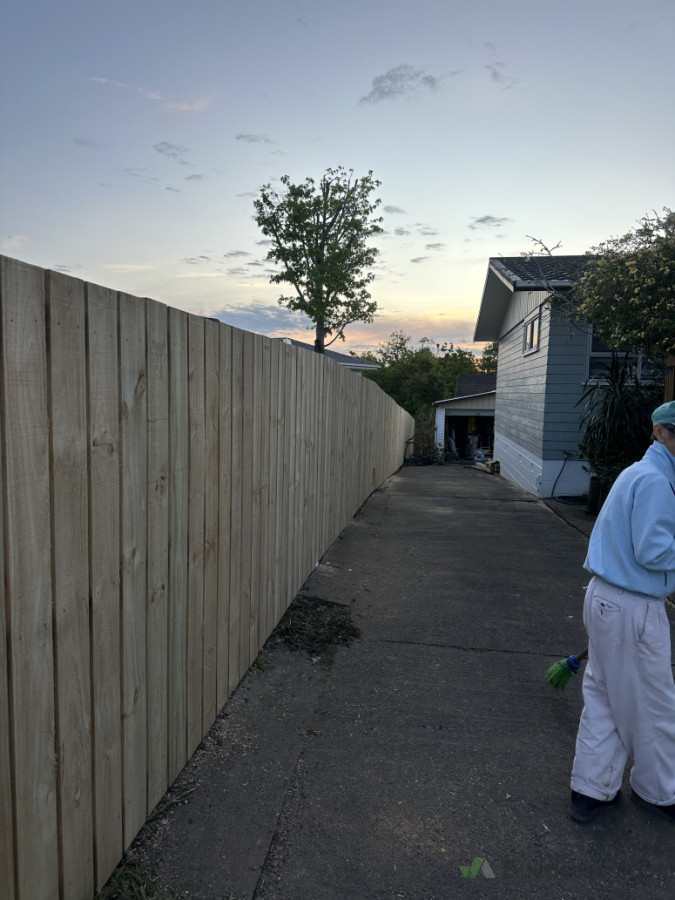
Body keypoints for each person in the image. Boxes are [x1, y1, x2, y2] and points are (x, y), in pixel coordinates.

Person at [570, 400, 675, 823]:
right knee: (653, 706)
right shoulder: (655, 481)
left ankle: (591, 791)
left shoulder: (640, 474)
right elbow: (653, 551)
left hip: (605, 598)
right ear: (660, 432)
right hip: (634, 608)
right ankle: (660, 792)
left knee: (605, 699)